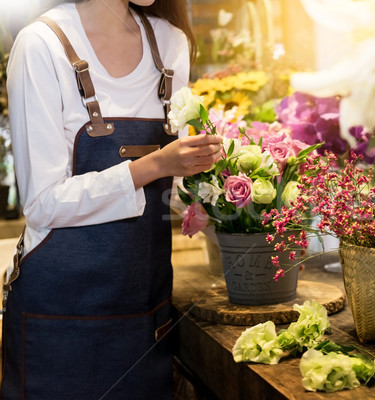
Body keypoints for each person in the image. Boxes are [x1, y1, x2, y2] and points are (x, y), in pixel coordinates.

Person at [1, 0, 222, 398]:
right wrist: (154, 166)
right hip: (59, 316)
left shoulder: (170, 43)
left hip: (144, 308)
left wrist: (205, 183)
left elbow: (165, 197)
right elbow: (41, 204)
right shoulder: (41, 46)